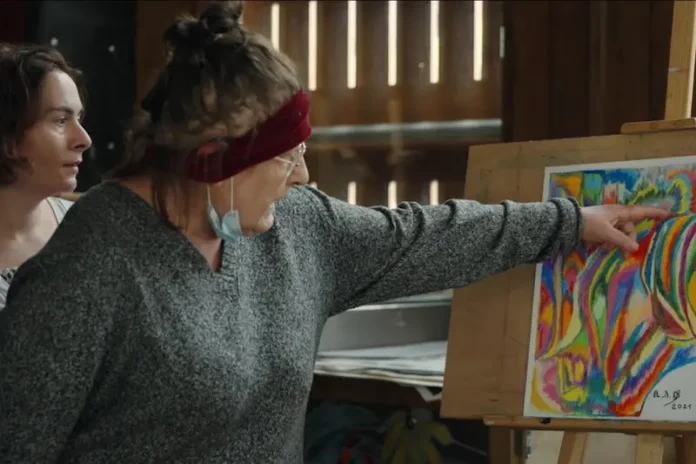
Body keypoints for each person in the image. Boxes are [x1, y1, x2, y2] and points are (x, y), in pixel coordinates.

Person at [0, 2, 670, 463]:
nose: (302, 175)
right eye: (285, 158)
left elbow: (423, 234)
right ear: (213, 163)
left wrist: (569, 222)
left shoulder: (298, 230)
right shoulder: (89, 269)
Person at [0, 43, 91, 310]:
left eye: (79, 118)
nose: (84, 139)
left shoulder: (85, 227)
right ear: (9, 137)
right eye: (61, 121)